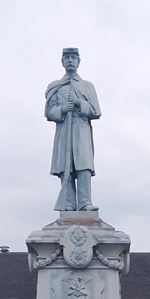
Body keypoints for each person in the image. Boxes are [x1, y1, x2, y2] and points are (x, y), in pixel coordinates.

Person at [45, 48, 101, 211]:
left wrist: (78, 103)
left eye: (73, 57)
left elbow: (95, 110)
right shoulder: (55, 86)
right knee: (65, 166)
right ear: (62, 62)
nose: (70, 60)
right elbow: (49, 112)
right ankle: (68, 203)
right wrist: (62, 109)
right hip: (64, 130)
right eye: (67, 57)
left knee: (84, 166)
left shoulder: (87, 86)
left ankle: (85, 203)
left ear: (78, 61)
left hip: (81, 129)